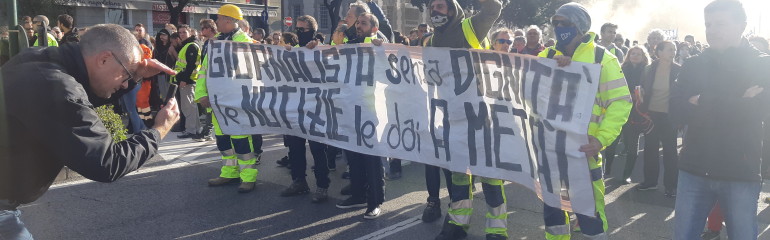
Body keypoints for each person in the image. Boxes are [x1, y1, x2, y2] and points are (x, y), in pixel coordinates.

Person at [0, 23, 179, 239]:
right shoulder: (56, 85)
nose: (125, 84)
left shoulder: (42, 61)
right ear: (104, 59)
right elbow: (106, 162)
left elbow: (80, 99)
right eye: (126, 74)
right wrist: (159, 130)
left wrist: (135, 77)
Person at [671, 1, 770, 239]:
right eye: (708, 24)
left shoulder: (762, 64)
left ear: (742, 26)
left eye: (720, 24)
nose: (712, 30)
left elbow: (759, 110)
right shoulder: (694, 64)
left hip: (740, 170)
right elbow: (675, 112)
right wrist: (739, 101)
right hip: (694, 167)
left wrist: (701, 100)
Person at [538, 2, 632, 239]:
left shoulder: (603, 58)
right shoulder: (547, 56)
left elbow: (621, 102)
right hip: (551, 150)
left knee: (589, 212)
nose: (559, 28)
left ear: (579, 26)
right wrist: (556, 70)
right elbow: (528, 93)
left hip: (584, 151)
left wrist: (601, 139)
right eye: (555, 23)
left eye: (565, 23)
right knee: (553, 212)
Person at [421, 0, 503, 239]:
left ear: (452, 9)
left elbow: (493, 9)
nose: (436, 11)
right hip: (453, 116)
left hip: (482, 116)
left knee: (491, 177)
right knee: (459, 175)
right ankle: (457, 225)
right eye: (433, 7)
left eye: (441, 6)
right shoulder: (434, 40)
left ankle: (497, 231)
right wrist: (378, 48)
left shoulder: (470, 27)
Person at [196, 4, 263, 193]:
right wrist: (202, 94)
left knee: (241, 139)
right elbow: (204, 70)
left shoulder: (245, 41)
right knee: (223, 140)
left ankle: (248, 177)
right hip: (217, 100)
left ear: (228, 20)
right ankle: (229, 172)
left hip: (237, 100)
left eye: (218, 18)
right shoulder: (215, 42)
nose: (216, 22)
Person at [333, 12, 388, 220]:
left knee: (372, 159)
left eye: (363, 23)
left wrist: (382, 48)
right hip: (349, 109)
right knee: (353, 156)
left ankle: (375, 201)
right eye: (357, 22)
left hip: (371, 111)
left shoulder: (377, 44)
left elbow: (389, 71)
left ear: (374, 28)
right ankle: (358, 195)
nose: (358, 26)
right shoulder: (348, 44)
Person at [279, 15, 333, 204]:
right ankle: (299, 181)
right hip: (295, 107)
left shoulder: (319, 49)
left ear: (312, 30)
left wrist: (318, 40)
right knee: (295, 148)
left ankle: (322, 185)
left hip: (316, 108)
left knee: (318, 149)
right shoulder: (294, 51)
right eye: (298, 29)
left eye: (303, 30)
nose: (299, 33)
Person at [636, 41, 680, 197]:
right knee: (650, 149)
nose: (673, 52)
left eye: (674, 49)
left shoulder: (679, 70)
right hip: (651, 115)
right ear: (659, 52)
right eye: (669, 49)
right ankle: (650, 182)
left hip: (669, 116)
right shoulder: (649, 69)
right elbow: (642, 88)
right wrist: (640, 95)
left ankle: (671, 186)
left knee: (670, 152)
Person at [605, 46, 652, 184]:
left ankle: (626, 175)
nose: (635, 56)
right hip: (618, 110)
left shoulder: (647, 71)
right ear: (628, 55)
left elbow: (649, 90)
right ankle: (606, 170)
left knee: (632, 145)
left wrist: (641, 95)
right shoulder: (621, 68)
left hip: (636, 112)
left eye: (639, 54)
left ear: (644, 56)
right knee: (612, 142)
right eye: (633, 53)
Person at [170, 24, 201, 139]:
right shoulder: (188, 45)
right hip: (189, 80)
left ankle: (191, 130)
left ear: (190, 32)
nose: (182, 34)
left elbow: (191, 66)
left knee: (188, 107)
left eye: (184, 32)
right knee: (191, 106)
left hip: (188, 81)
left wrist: (184, 79)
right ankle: (195, 129)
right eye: (180, 32)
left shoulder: (191, 46)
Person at [192, 19, 217, 142]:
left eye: (203, 28)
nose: (201, 31)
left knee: (211, 106)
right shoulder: (207, 42)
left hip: (213, 77)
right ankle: (207, 131)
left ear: (209, 28)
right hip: (207, 77)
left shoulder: (216, 41)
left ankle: (207, 131)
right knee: (208, 106)